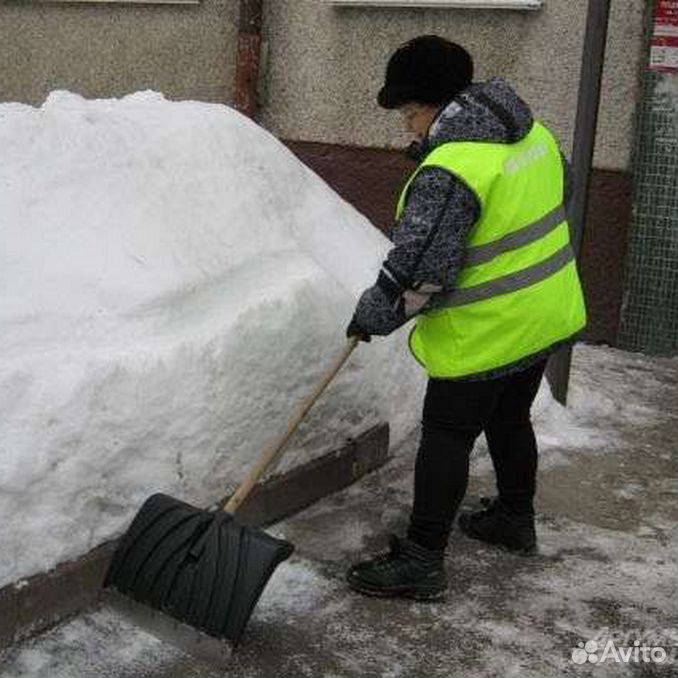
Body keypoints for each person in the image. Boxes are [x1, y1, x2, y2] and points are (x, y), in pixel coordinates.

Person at [345, 35, 587, 601]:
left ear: (438, 105)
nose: (406, 126)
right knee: (509, 419)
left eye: (408, 112)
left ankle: (422, 560)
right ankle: (513, 519)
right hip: (543, 315)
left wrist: (372, 315)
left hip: (488, 330)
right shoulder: (532, 134)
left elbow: (419, 270)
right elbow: (552, 196)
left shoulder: (451, 171)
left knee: (448, 436)